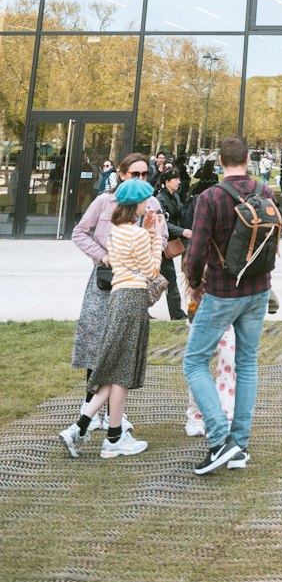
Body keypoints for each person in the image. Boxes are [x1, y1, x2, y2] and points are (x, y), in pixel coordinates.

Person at [182, 136, 276, 475]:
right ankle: (240, 444)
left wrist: (194, 284)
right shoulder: (266, 192)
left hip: (222, 291)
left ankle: (221, 440)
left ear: (220, 161)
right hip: (259, 289)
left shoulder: (210, 197)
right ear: (248, 159)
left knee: (193, 361)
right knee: (247, 363)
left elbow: (196, 252)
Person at [58, 178, 162, 459]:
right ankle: (110, 439)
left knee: (116, 369)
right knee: (122, 370)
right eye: (145, 201)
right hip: (133, 299)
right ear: (137, 205)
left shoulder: (118, 231)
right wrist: (155, 238)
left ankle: (85, 428)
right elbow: (152, 270)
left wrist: (148, 232)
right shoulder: (139, 235)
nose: (148, 205)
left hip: (117, 297)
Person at [71, 152, 166, 426]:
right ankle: (91, 403)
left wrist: (151, 246)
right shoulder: (104, 201)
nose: (140, 179)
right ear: (122, 174)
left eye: (145, 174)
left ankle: (114, 411)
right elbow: (80, 232)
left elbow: (160, 238)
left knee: (122, 346)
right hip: (105, 280)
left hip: (134, 283)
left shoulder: (151, 202)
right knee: (97, 339)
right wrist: (103, 255)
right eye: (135, 174)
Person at [155, 164, 192, 320]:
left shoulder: (175, 196)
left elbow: (180, 215)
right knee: (169, 279)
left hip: (171, 242)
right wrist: (182, 231)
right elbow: (162, 222)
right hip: (160, 244)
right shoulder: (159, 199)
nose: (178, 182)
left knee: (159, 280)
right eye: (175, 179)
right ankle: (176, 314)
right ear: (167, 181)